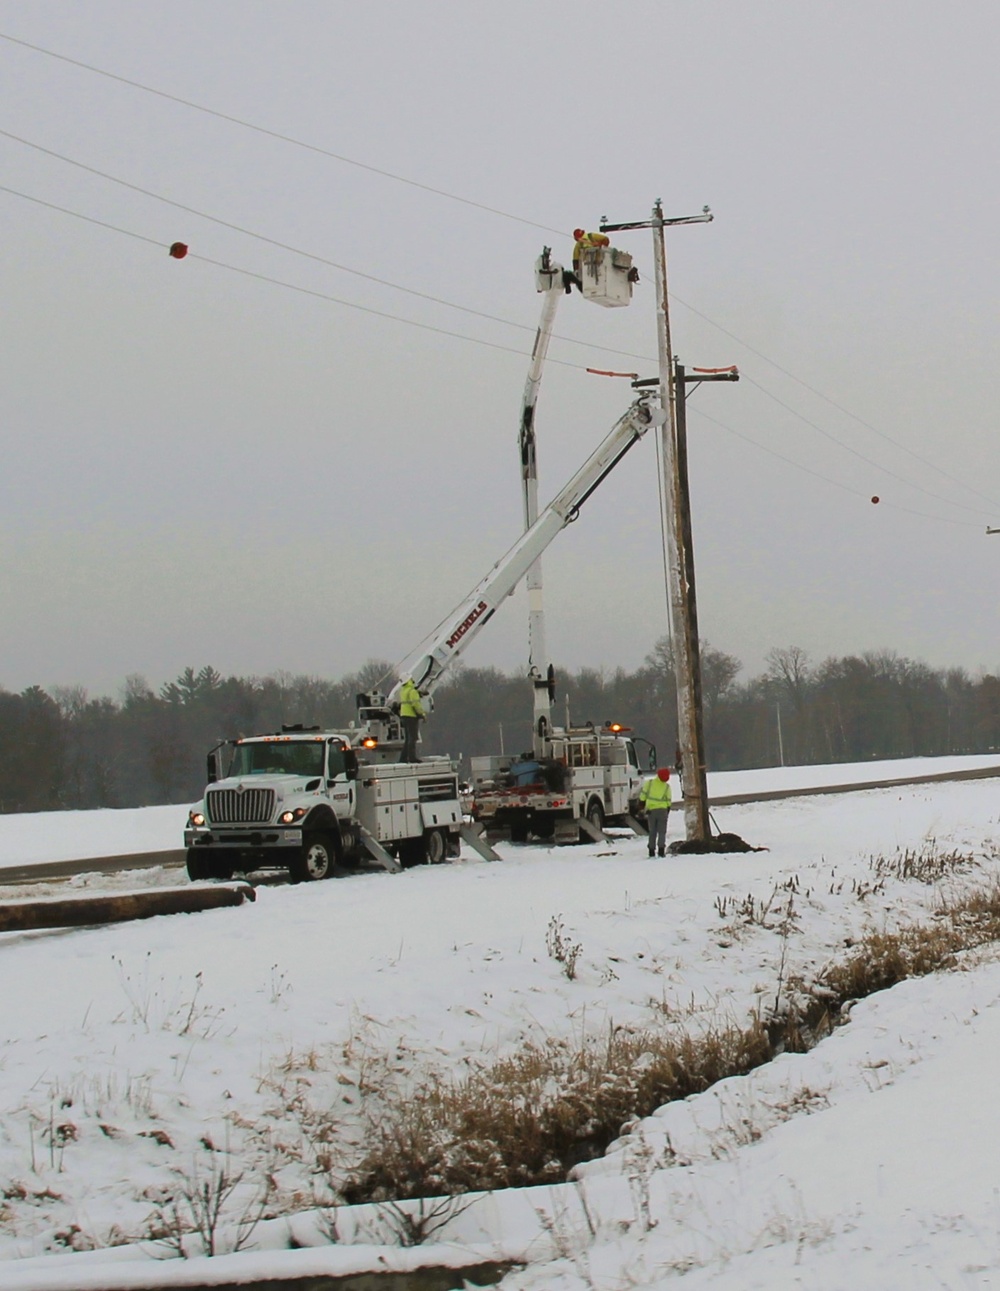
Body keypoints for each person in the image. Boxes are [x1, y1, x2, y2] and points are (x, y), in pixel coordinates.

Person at [639, 767, 672, 857]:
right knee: (662, 832)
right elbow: (669, 801)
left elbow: (642, 797)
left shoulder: (649, 784)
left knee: (652, 831)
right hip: (663, 811)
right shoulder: (667, 787)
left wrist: (641, 807)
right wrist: (667, 810)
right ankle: (661, 850)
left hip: (651, 811)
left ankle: (651, 850)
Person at [398, 676, 425, 763]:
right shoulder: (412, 691)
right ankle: (412, 758)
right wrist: (422, 714)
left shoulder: (403, 691)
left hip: (404, 716)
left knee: (407, 739)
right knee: (413, 738)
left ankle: (403, 758)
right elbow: (416, 705)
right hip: (411, 716)